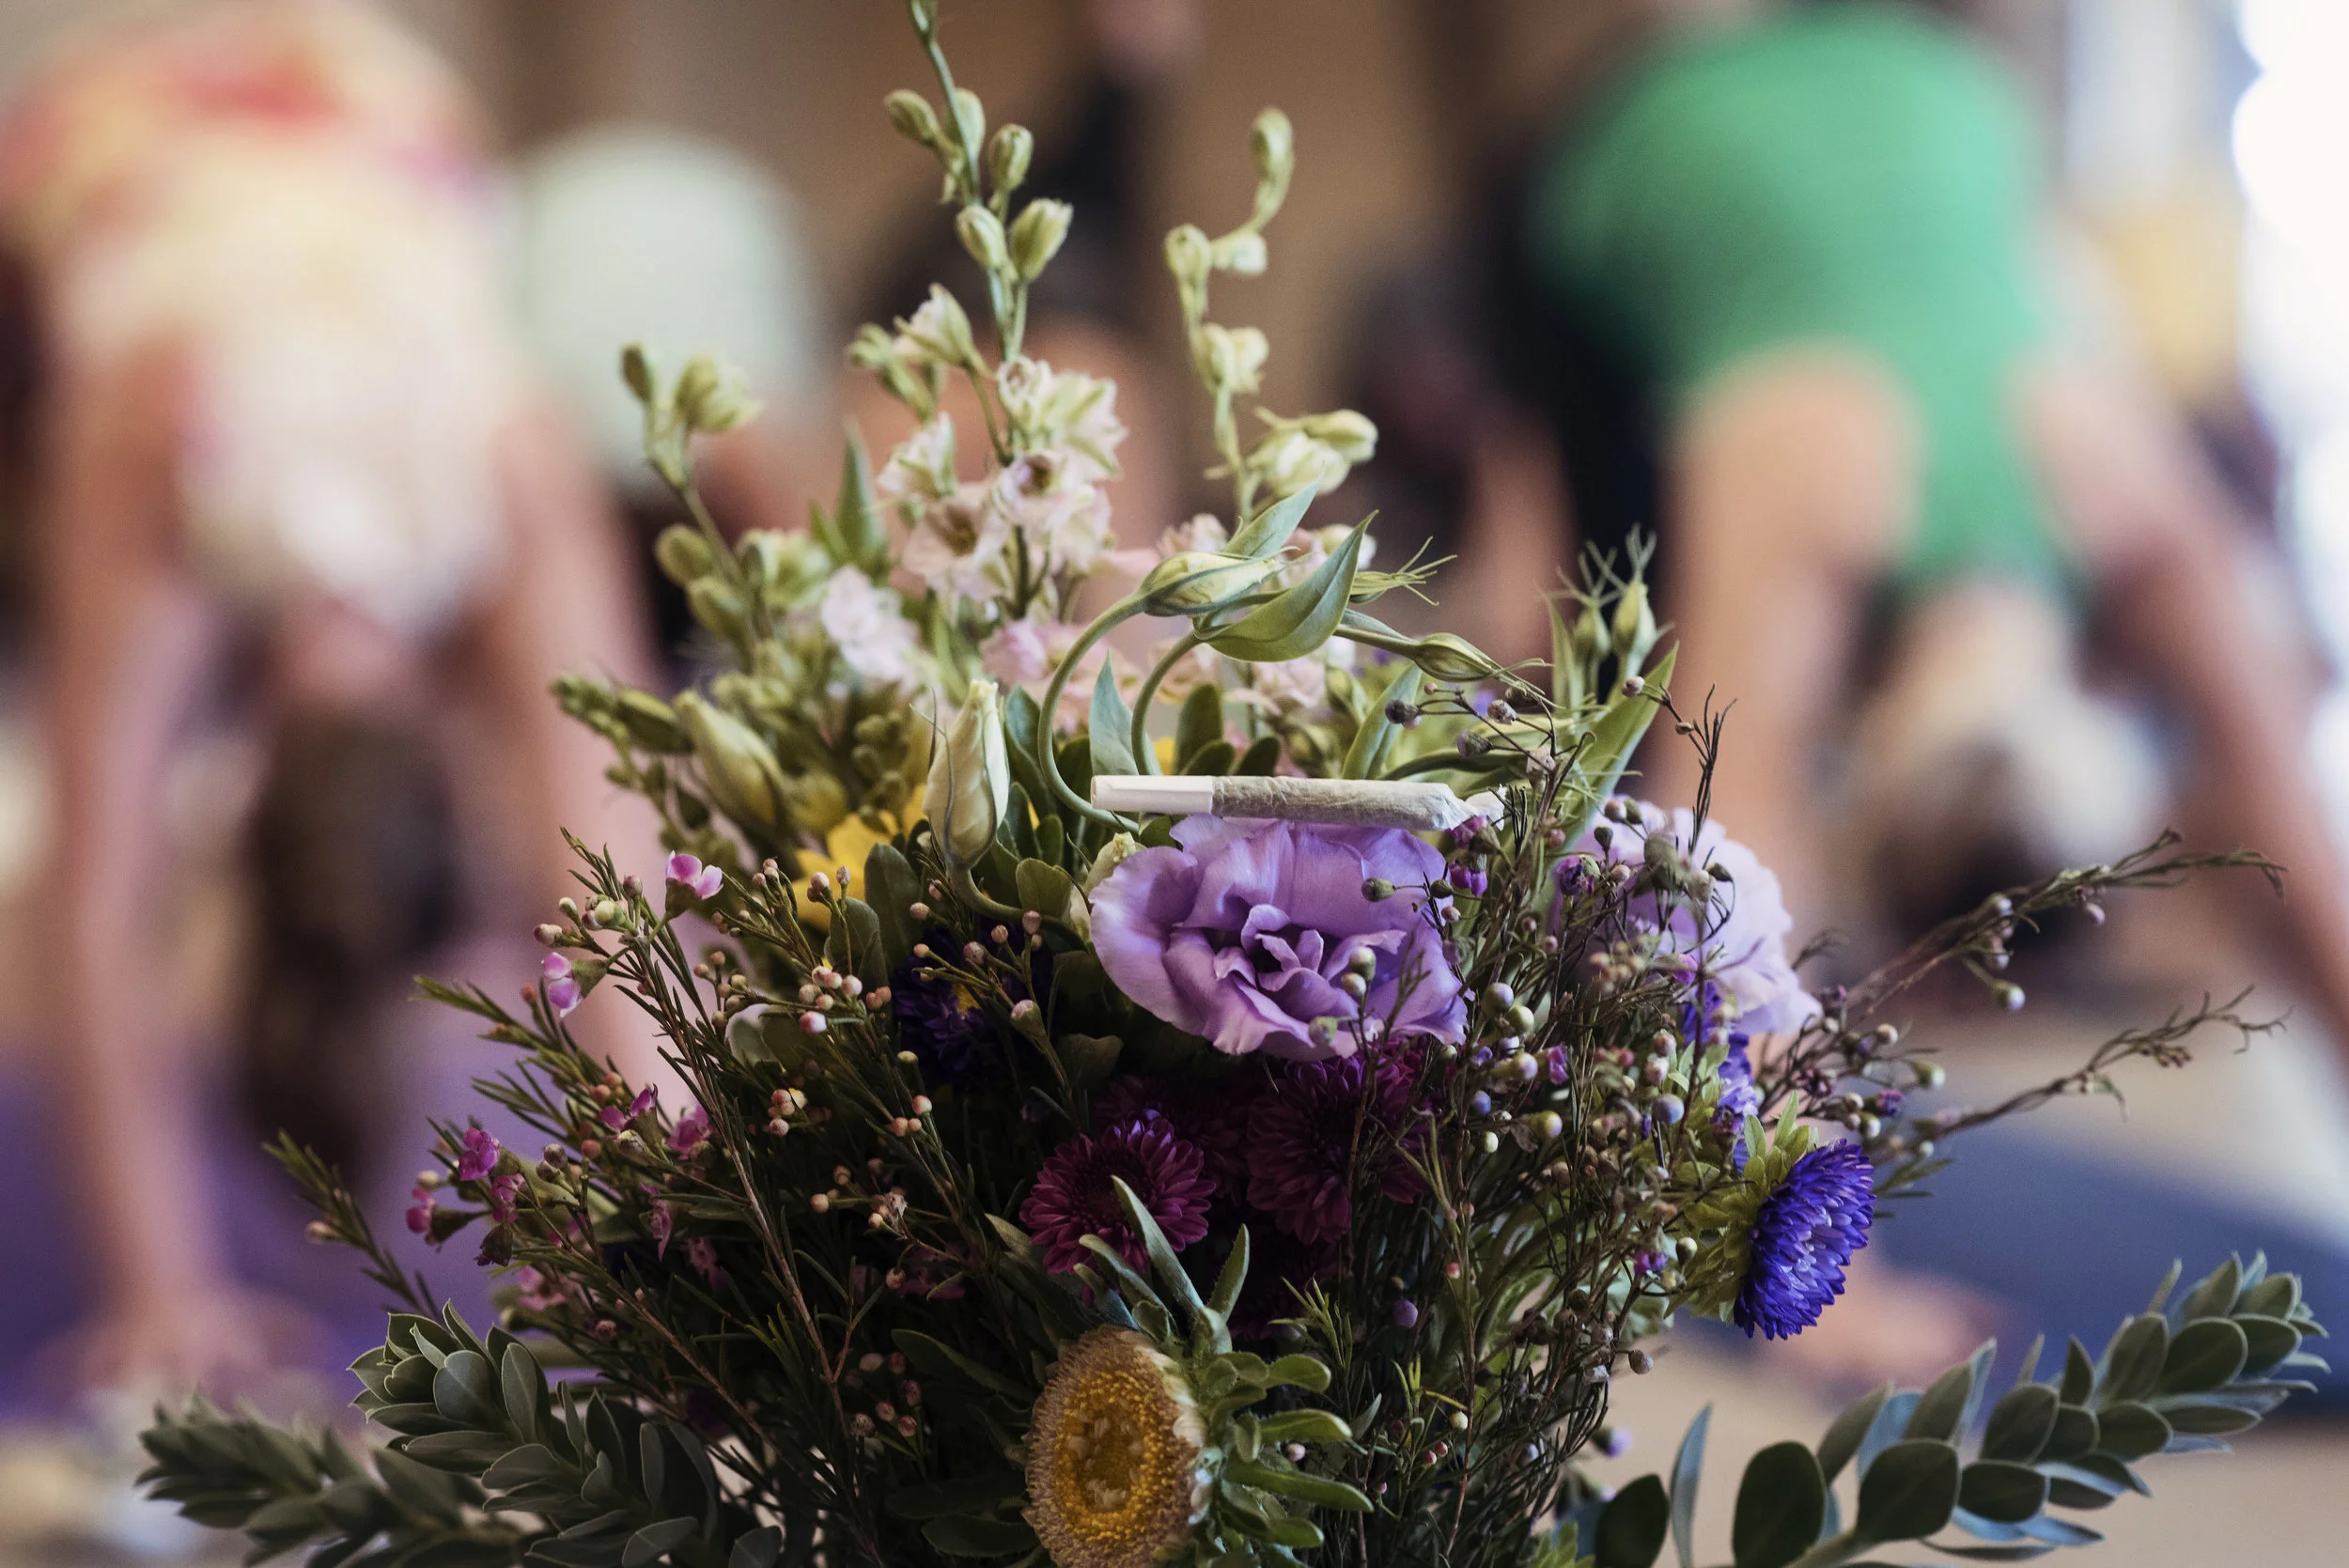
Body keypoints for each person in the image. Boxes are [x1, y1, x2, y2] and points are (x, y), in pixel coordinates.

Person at [0, 0, 659, 1394]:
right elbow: (610, 890)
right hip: (180, 148)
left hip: (372, 133)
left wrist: (165, 1296)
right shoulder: (198, 436)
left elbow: (603, 893)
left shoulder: (494, 459)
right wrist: (687, 1234)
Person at [1511, 0, 2349, 1050]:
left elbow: (1718, 933)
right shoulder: (2017, 460)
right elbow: (2306, 872)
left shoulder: (2062, 457)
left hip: (1833, 107)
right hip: (1714, 125)